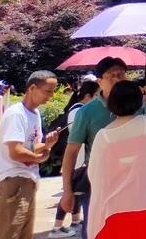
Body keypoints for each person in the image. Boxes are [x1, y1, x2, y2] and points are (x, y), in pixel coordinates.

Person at [62, 57, 146, 239]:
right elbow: (71, 152)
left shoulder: (140, 107)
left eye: (121, 74)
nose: (117, 79)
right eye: (111, 76)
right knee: (99, 231)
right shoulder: (86, 112)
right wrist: (67, 191)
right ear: (99, 81)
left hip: (137, 186)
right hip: (100, 186)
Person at [86, 81, 146, 238]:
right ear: (138, 101)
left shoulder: (103, 136)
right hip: (144, 202)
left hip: (113, 207)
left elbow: (93, 173)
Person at [0, 70, 61, 239]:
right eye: (48, 91)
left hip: (27, 180)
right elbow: (16, 152)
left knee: (23, 234)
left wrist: (48, 144)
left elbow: (32, 146)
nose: (51, 96)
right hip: (14, 180)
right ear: (32, 88)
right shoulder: (16, 113)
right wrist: (40, 157)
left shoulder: (35, 113)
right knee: (10, 233)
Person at [50, 79, 99, 237]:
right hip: (77, 161)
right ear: (88, 95)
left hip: (81, 161)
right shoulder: (78, 111)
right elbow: (78, 136)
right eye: (97, 94)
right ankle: (57, 227)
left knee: (78, 193)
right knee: (70, 193)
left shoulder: (81, 109)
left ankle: (75, 221)